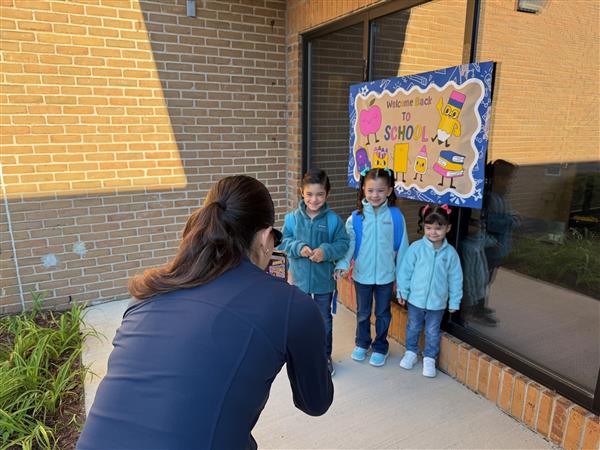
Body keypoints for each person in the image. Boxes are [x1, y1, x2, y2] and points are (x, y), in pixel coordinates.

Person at [77, 175, 334, 450]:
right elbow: (315, 403)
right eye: (275, 240)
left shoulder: (146, 294)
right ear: (264, 238)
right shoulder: (292, 305)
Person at [334, 168, 409, 367]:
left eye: (380, 190)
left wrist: (402, 284)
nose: (375, 195)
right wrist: (342, 265)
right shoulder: (355, 219)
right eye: (370, 190)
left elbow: (403, 251)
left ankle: (380, 347)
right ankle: (362, 342)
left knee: (383, 314)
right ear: (363, 190)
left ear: (389, 191)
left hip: (386, 277)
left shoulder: (396, 217)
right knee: (363, 313)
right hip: (362, 275)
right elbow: (349, 246)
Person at [278, 168, 349, 376]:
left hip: (323, 283)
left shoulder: (333, 220)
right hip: (299, 282)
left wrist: (325, 251)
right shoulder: (292, 219)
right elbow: (282, 241)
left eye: (319, 194)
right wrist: (298, 247)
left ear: (327, 194)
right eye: (309, 194)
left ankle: (324, 356)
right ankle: (301, 356)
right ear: (302, 192)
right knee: (299, 320)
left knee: (323, 321)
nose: (314, 199)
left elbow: (343, 244)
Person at [397, 204, 463, 377]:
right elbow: (405, 272)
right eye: (429, 228)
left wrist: (454, 301)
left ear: (448, 228)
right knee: (413, 326)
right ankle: (411, 352)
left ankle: (429, 358)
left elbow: (455, 279)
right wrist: (402, 292)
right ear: (424, 227)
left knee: (432, 331)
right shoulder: (416, 248)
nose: (433, 232)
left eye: (438, 228)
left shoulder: (450, 254)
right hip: (415, 300)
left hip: (437, 302)